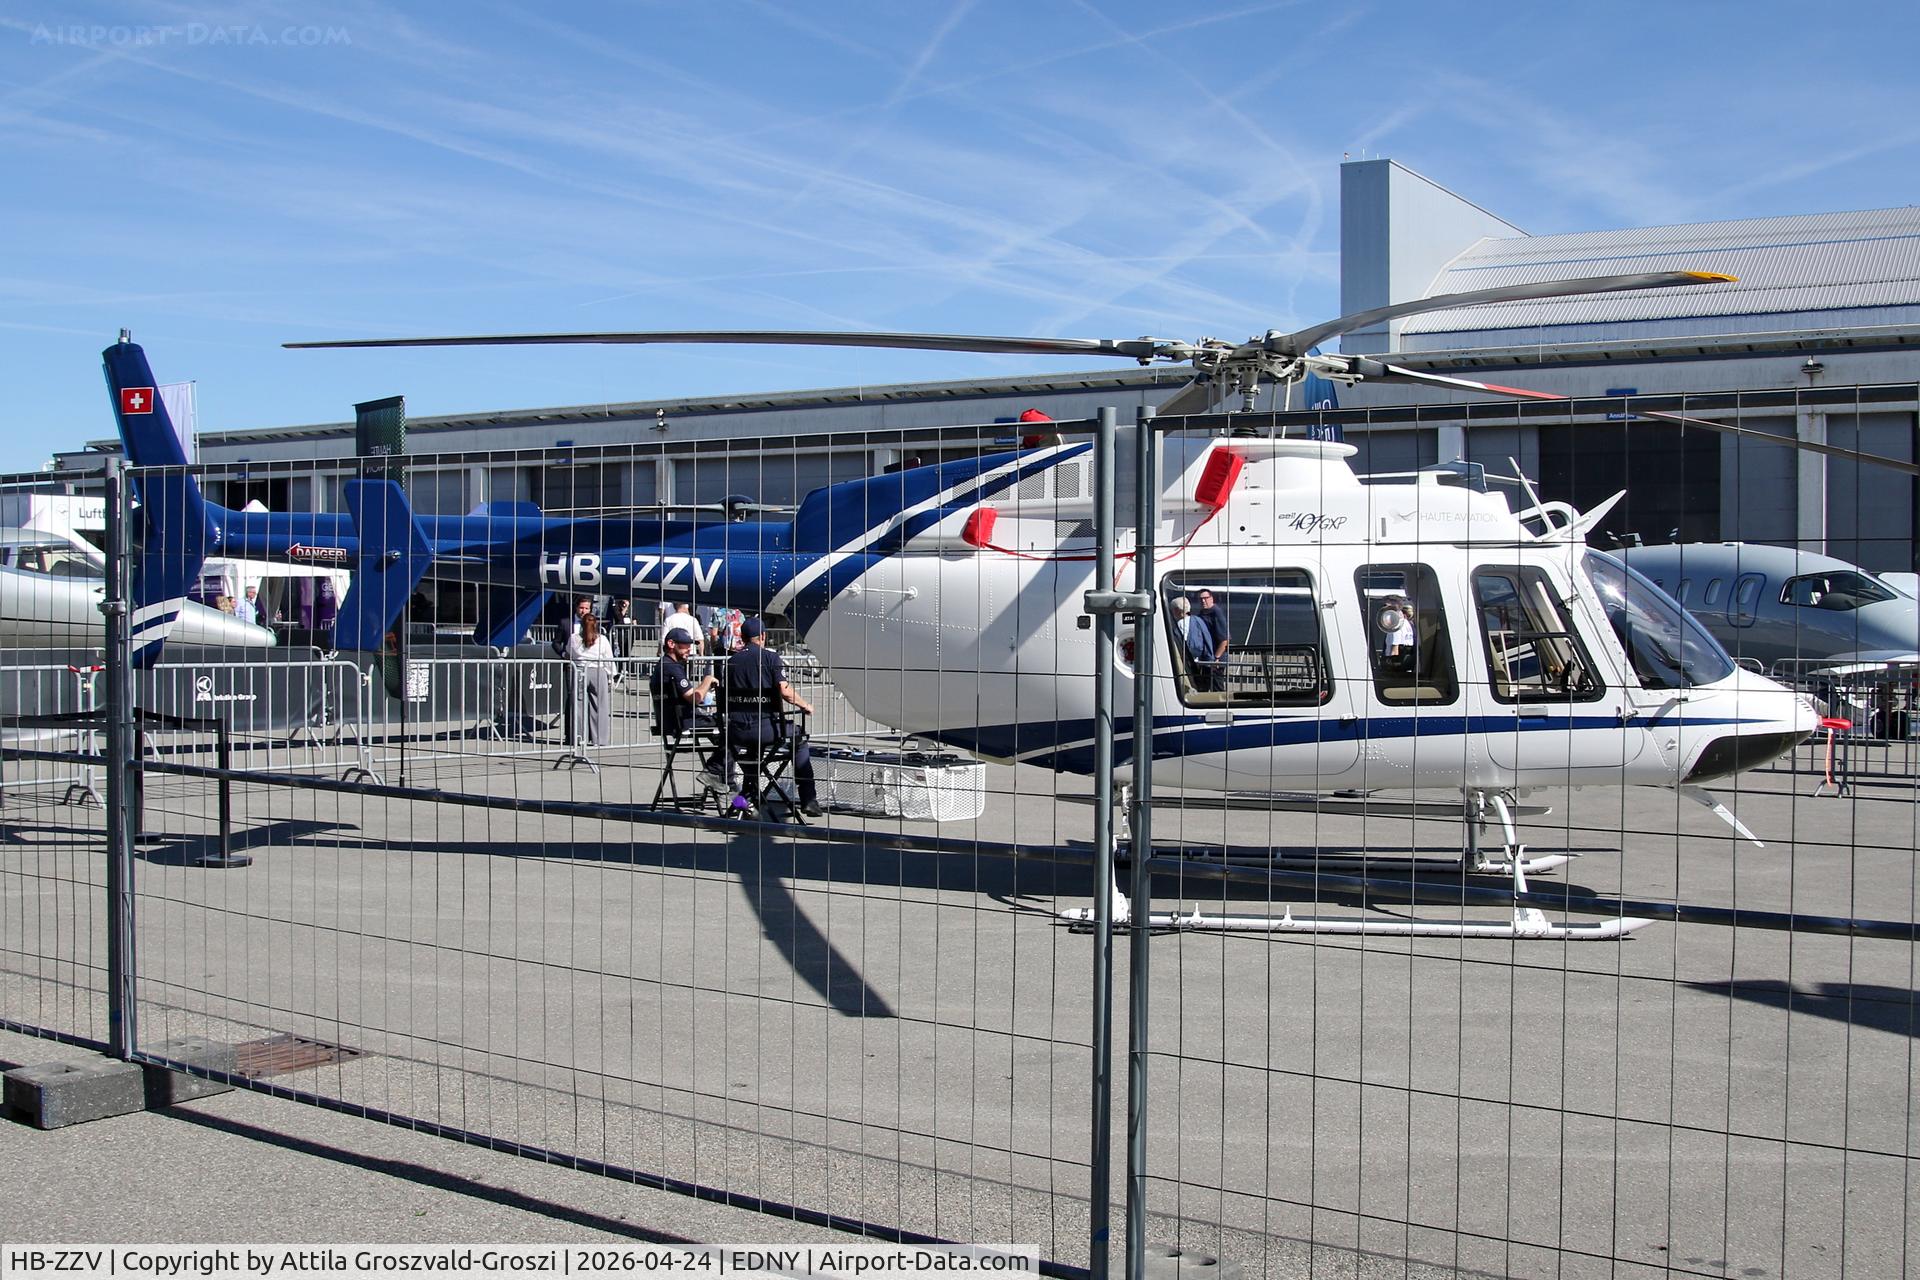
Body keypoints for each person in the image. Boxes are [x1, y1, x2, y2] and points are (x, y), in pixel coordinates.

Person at [722, 616, 822, 818]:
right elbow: (784, 690)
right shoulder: (770, 658)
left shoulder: (731, 662)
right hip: (766, 730)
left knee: (753, 751)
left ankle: (747, 796)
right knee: (799, 739)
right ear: (763, 636)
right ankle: (808, 798)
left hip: (737, 731)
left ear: (743, 637)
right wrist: (805, 705)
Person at [650, 624, 727, 791]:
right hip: (683, 721)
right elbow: (695, 698)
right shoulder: (672, 667)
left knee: (724, 735)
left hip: (669, 720)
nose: (689, 649)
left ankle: (720, 775)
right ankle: (716, 774)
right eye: (685, 645)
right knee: (732, 728)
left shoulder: (662, 665)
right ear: (671, 644)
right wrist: (707, 680)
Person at [566, 614, 617, 747]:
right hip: (597, 671)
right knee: (600, 706)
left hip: (579, 671)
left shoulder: (574, 638)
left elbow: (568, 653)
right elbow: (608, 658)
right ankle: (599, 739)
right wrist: (611, 676)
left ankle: (578, 737)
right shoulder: (603, 639)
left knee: (577, 705)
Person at [1170, 596, 1215, 691]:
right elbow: (1207, 640)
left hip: (1188, 665)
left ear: (1177, 610)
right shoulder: (1199, 621)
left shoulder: (1178, 625)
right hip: (1203, 663)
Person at [1193, 588, 1230, 688]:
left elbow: (1225, 639)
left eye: (1206, 598)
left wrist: (1216, 658)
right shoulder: (1201, 613)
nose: (1203, 601)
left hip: (1215, 659)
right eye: (1201, 599)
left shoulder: (1216, 613)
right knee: (1203, 687)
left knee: (1217, 687)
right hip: (1206, 659)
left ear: (1211, 598)